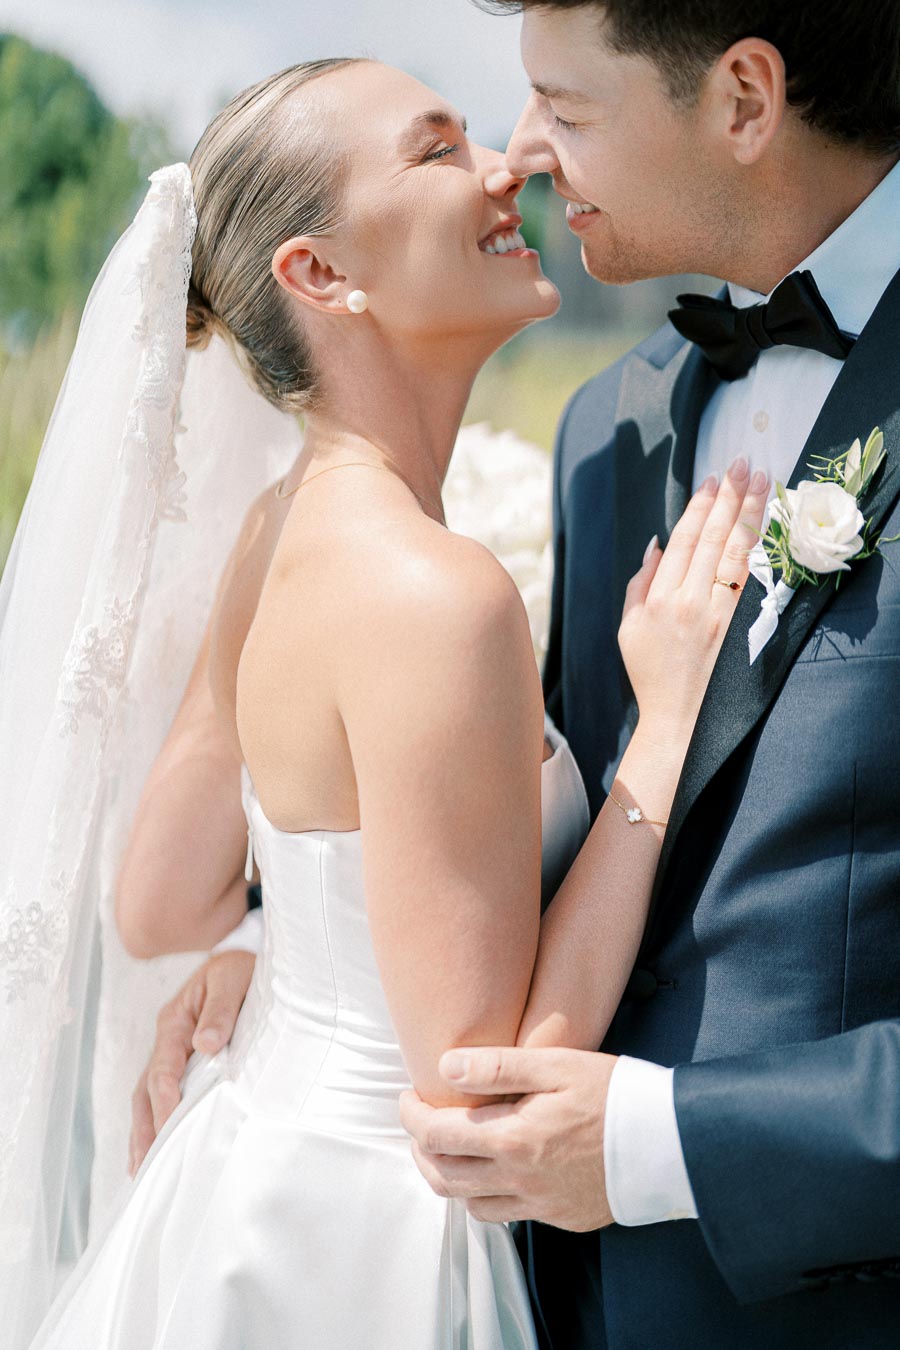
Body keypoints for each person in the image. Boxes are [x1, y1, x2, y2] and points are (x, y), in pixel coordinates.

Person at [137, 3, 900, 1347]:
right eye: (458, 136)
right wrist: (297, 939)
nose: (524, 153)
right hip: (486, 1278)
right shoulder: (604, 428)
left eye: (566, 103)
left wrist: (672, 1139)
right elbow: (492, 840)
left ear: (741, 101)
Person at [11, 55, 765, 1350]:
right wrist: (664, 732)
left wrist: (297, 956)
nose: (502, 167)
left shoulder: (277, 526)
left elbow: (163, 895)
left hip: (244, 1188)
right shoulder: (439, 595)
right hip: (362, 1250)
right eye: (434, 151)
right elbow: (482, 1103)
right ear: (320, 275)